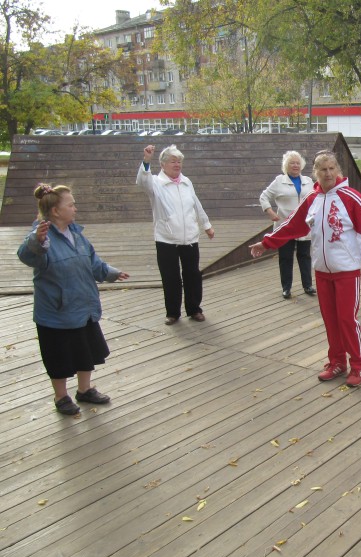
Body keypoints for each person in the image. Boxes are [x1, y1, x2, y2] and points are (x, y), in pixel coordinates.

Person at [249, 151, 361, 388]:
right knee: (330, 320)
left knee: (346, 319)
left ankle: (357, 366)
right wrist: (266, 242)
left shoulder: (350, 197)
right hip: (321, 271)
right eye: (323, 170)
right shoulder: (312, 199)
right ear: (315, 173)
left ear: (338, 170)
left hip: (347, 270)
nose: (328, 174)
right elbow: (291, 225)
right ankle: (337, 362)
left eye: (331, 169)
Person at [17, 184, 130, 415]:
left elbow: (94, 263)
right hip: (56, 312)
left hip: (82, 306)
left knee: (84, 350)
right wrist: (35, 241)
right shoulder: (42, 237)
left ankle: (84, 390)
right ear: (56, 211)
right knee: (58, 355)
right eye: (71, 205)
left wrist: (112, 273)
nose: (75, 208)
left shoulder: (77, 235)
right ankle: (61, 397)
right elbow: (27, 255)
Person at [137, 144, 215, 326]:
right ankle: (172, 312)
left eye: (179, 161)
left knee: (192, 275)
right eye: (173, 161)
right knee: (170, 277)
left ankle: (194, 309)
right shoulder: (155, 183)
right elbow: (142, 181)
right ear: (163, 164)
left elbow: (196, 204)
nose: (177, 165)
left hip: (189, 237)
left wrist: (207, 225)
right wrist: (146, 160)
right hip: (166, 238)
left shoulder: (187, 182)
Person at [259, 150, 315, 299]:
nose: (295, 166)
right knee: (285, 257)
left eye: (297, 163)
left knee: (305, 256)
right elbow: (264, 196)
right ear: (286, 166)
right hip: (285, 225)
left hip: (304, 226)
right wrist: (269, 211)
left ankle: (308, 285)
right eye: (292, 163)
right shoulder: (279, 181)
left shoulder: (309, 181)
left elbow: (317, 198)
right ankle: (286, 288)